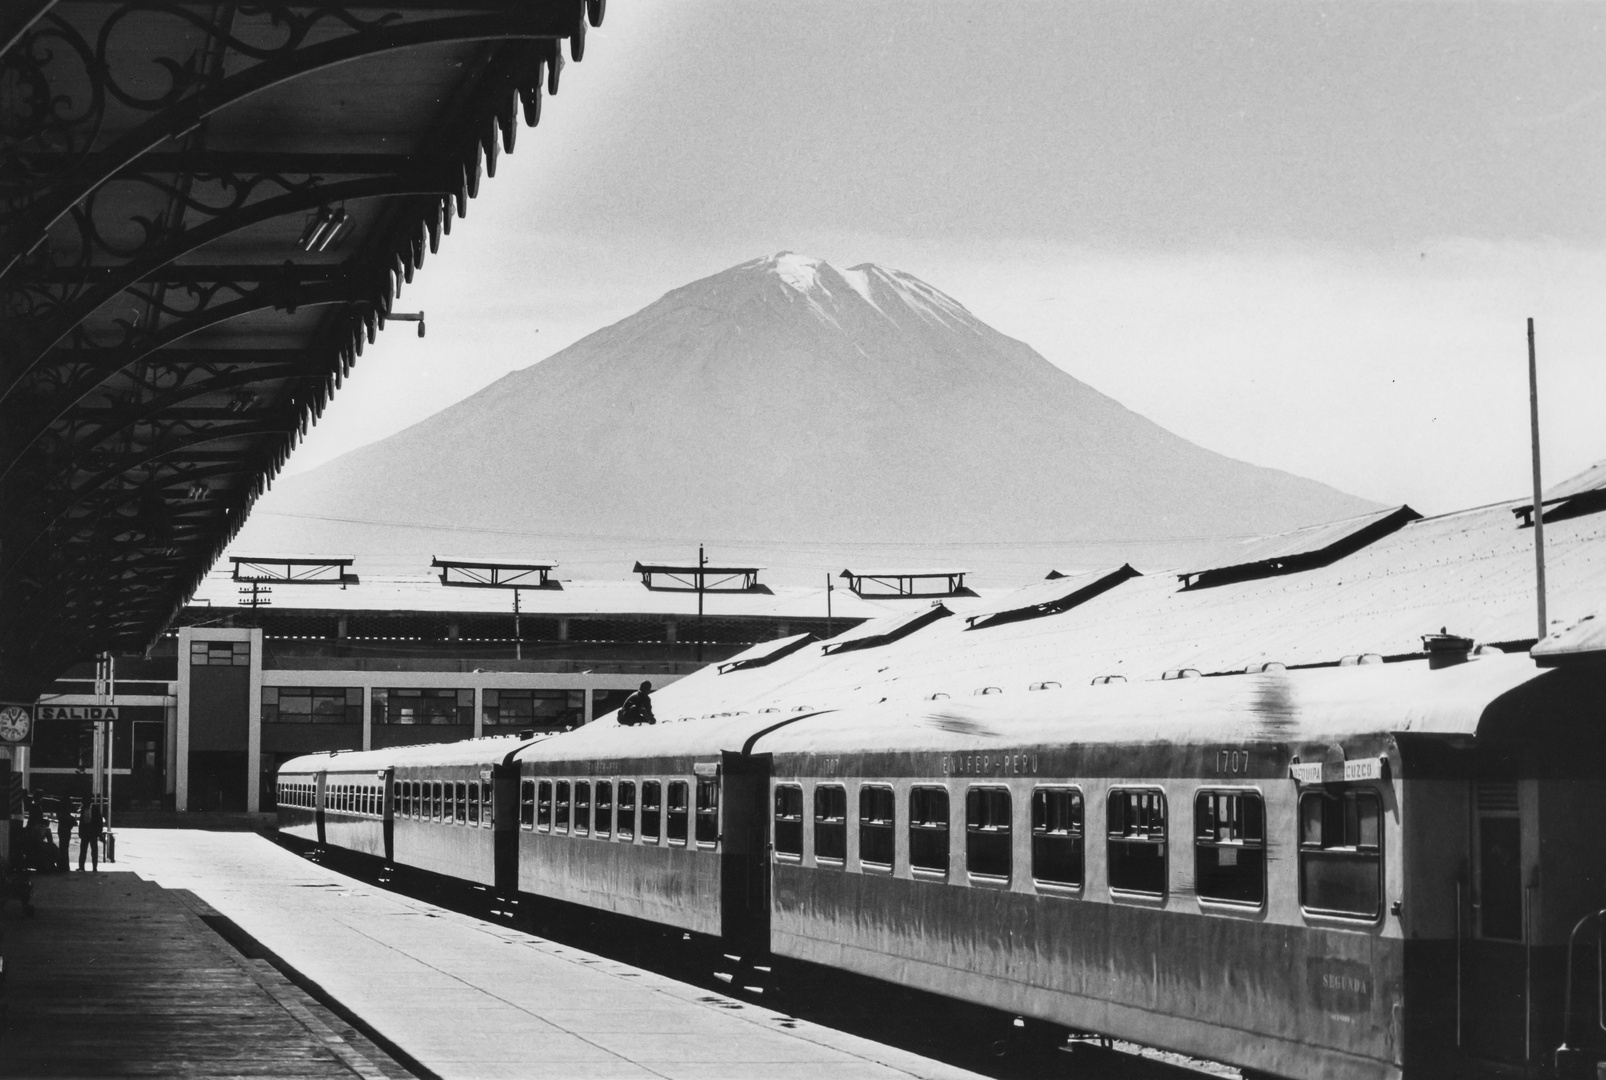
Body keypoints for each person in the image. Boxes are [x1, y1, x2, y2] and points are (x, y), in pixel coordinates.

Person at [79, 798, 105, 872]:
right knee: (83, 850)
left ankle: (94, 867)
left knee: (94, 850)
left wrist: (99, 832)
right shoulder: (83, 808)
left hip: (93, 832)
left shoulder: (95, 808)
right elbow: (81, 821)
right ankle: (81, 866)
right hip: (85, 831)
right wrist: (80, 832)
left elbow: (99, 820)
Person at [55, 797, 77, 872]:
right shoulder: (67, 812)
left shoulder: (60, 811)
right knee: (65, 848)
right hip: (67, 830)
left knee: (62, 847)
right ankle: (65, 866)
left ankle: (61, 865)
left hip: (61, 829)